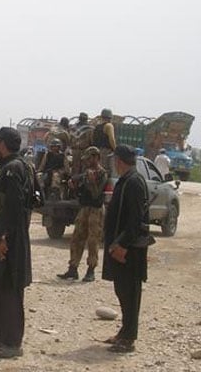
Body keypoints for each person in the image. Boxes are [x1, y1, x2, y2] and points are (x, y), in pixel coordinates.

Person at [0, 127, 38, 359]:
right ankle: (0, 334)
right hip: (11, 231)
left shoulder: (13, 169)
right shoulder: (24, 166)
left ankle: (12, 342)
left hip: (9, 234)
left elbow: (13, 207)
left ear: (2, 144)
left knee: (10, 286)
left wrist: (4, 238)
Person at [102, 144, 150, 353]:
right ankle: (124, 331)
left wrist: (122, 244)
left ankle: (129, 337)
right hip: (120, 246)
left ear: (119, 161)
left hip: (130, 249)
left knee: (130, 293)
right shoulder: (127, 180)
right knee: (122, 290)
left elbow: (135, 220)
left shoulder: (134, 182)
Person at [58, 146, 107, 282]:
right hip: (85, 208)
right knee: (76, 238)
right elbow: (81, 192)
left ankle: (90, 270)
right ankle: (73, 268)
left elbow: (97, 194)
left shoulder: (102, 174)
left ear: (96, 158)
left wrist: (91, 182)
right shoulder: (86, 173)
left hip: (96, 210)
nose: (87, 161)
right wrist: (74, 186)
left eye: (90, 158)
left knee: (93, 240)